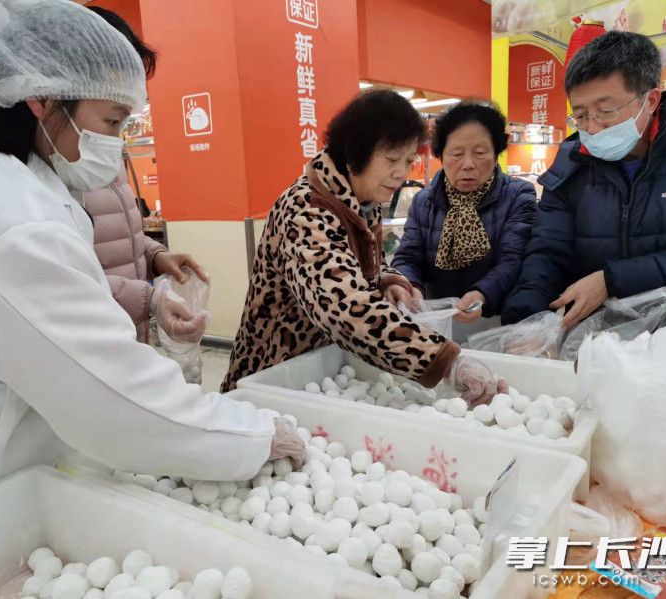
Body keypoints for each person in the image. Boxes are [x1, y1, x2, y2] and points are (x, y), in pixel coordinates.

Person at [0, 0, 303, 519]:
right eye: (111, 120)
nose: (114, 144)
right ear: (41, 98)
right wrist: (253, 435)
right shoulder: (12, 222)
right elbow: (115, 400)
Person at [222, 89, 504, 404]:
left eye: (409, 160)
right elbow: (345, 308)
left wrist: (387, 279)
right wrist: (445, 361)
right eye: (392, 159)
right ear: (357, 151)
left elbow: (362, 263)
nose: (401, 172)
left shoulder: (361, 202)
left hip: (324, 370)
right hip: (274, 376)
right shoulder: (306, 209)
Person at [503, 31, 666, 329]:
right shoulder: (572, 163)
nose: (593, 127)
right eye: (582, 115)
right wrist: (525, 320)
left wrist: (611, 280)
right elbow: (548, 252)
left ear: (650, 100)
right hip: (598, 342)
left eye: (606, 110)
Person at [80, 6, 209, 344]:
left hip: (126, 337)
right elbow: (61, 276)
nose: (116, 134)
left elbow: (115, 238)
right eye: (112, 119)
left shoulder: (100, 158)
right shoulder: (47, 173)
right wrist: (149, 299)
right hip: (91, 342)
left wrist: (155, 256)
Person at [391, 102, 537, 321]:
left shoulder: (518, 196)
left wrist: (482, 294)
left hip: (493, 318)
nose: (468, 164)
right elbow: (407, 256)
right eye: (456, 154)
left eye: (480, 153)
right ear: (441, 156)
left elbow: (513, 260)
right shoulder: (424, 201)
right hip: (436, 320)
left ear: (496, 152)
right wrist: (410, 287)